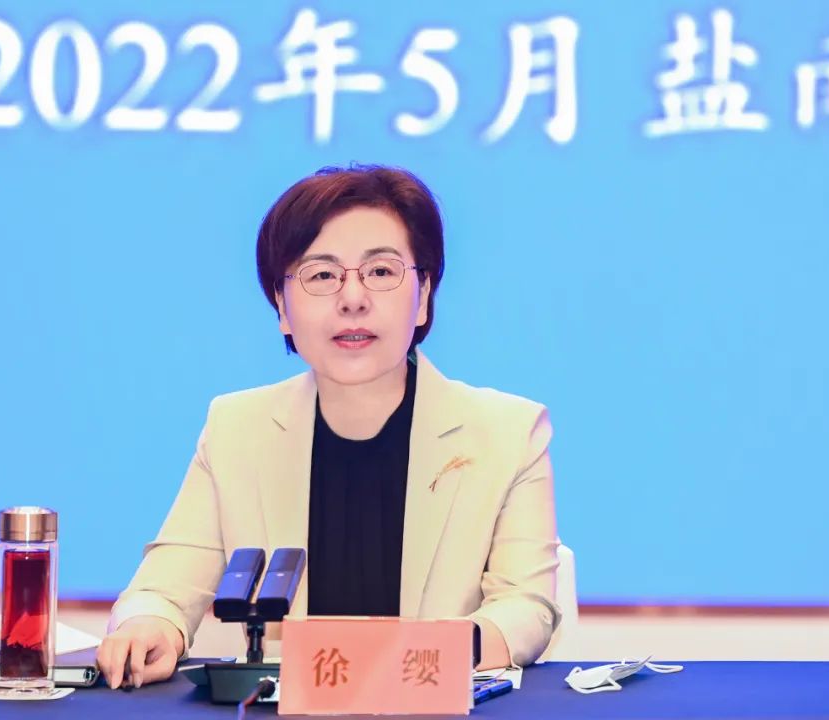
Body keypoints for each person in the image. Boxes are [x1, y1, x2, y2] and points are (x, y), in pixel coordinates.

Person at [97, 165, 561, 689]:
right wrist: (149, 626)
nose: (353, 298)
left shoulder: (509, 432)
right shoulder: (237, 428)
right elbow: (166, 585)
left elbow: (525, 607)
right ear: (282, 306)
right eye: (321, 275)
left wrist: (421, 656)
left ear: (424, 293)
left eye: (381, 271)